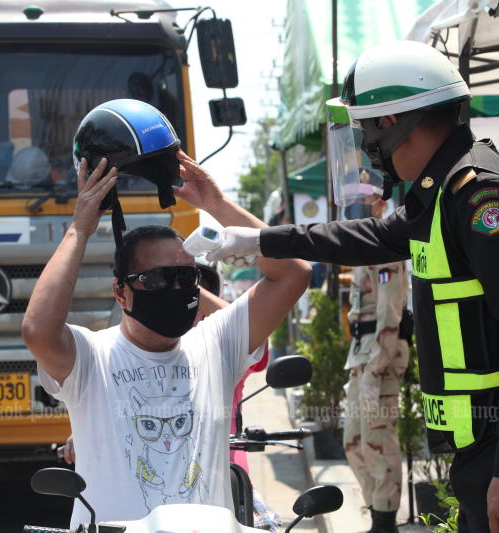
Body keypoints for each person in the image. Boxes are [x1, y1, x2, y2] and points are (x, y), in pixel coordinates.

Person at [204, 40, 499, 533]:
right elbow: (361, 237)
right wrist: (257, 237)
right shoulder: (440, 196)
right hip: (481, 448)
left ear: (393, 125)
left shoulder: (482, 196)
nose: (367, 149)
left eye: (366, 130)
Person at [23, 108, 310, 526]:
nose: (177, 290)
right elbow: (38, 330)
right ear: (121, 292)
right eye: (158, 280)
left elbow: (293, 272)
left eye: (186, 277)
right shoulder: (90, 358)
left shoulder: (216, 345)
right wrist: (79, 229)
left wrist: (216, 203)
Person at [341, 189, 409, 533]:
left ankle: (385, 522)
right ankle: (377, 511)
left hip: (380, 351)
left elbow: (390, 311)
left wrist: (376, 367)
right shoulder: (367, 246)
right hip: (362, 352)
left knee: (376, 440)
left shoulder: (385, 248)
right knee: (353, 441)